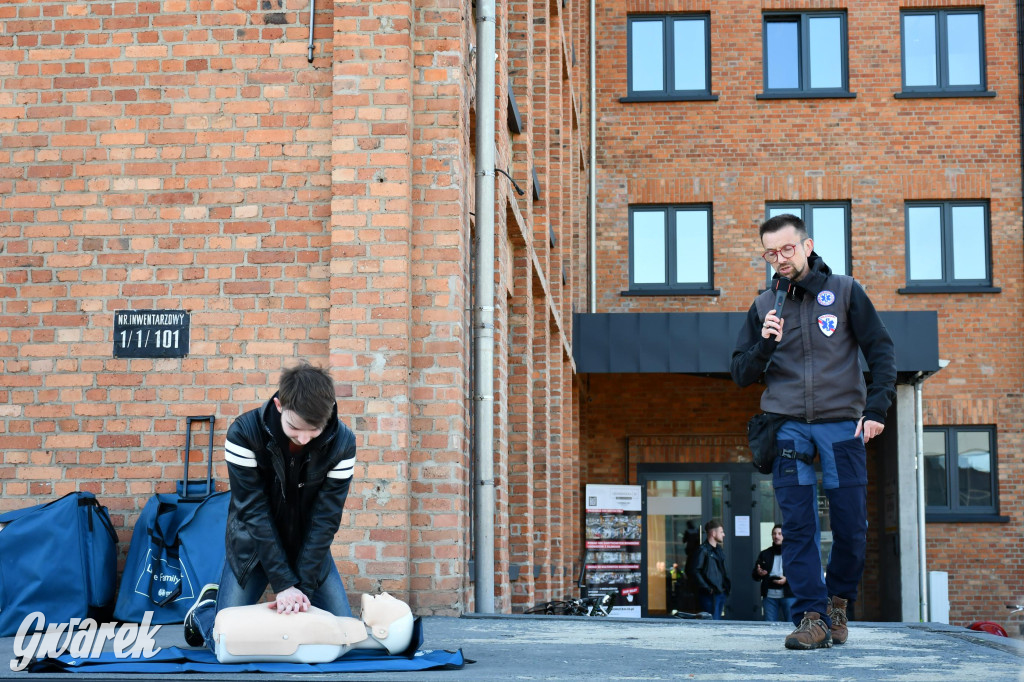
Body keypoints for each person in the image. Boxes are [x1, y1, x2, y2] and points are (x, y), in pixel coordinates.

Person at [731, 214, 896, 650]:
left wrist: (877, 406)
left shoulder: (844, 291)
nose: (779, 259)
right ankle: (813, 617)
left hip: (842, 425)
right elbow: (739, 373)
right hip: (787, 429)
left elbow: (880, 349)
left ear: (807, 246)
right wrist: (764, 345)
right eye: (771, 253)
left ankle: (838, 603)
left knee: (850, 527)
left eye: (787, 249)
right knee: (799, 528)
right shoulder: (763, 304)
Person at [184, 362, 358, 649]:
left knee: (340, 642)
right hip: (253, 546)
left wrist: (301, 589)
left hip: (308, 548)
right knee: (224, 645)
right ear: (279, 405)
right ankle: (205, 613)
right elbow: (253, 512)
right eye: (294, 427)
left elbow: (326, 519)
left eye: (313, 430)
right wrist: (282, 584)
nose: (303, 439)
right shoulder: (243, 433)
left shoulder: (342, 444)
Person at [752, 525, 795, 622]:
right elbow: (754, 575)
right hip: (769, 596)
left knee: (791, 625)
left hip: (789, 595)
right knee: (769, 626)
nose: (777, 536)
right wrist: (759, 573)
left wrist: (786, 579)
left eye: (780, 534)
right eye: (774, 534)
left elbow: (800, 574)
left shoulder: (792, 553)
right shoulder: (765, 553)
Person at [693, 519, 730, 620]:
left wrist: (725, 588)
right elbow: (695, 571)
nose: (724, 534)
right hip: (710, 594)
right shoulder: (702, 550)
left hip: (720, 592)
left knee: (717, 623)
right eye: (721, 532)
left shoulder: (719, 550)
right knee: (712, 624)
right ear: (713, 533)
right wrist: (707, 588)